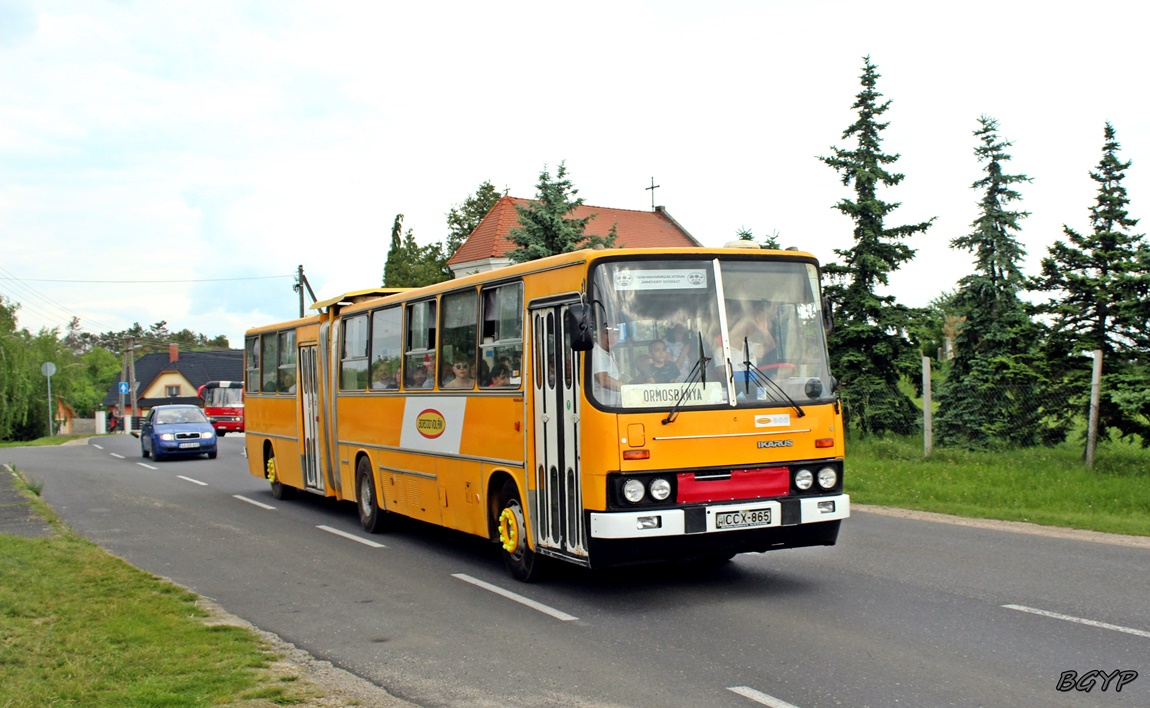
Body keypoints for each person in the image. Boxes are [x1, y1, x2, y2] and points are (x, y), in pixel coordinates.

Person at [591, 320, 622, 405]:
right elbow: (603, 380)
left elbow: (615, 376)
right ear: (599, 334)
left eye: (615, 333)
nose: (611, 337)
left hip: (612, 404)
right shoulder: (595, 352)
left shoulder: (611, 353)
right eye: (607, 332)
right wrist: (627, 388)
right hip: (601, 406)